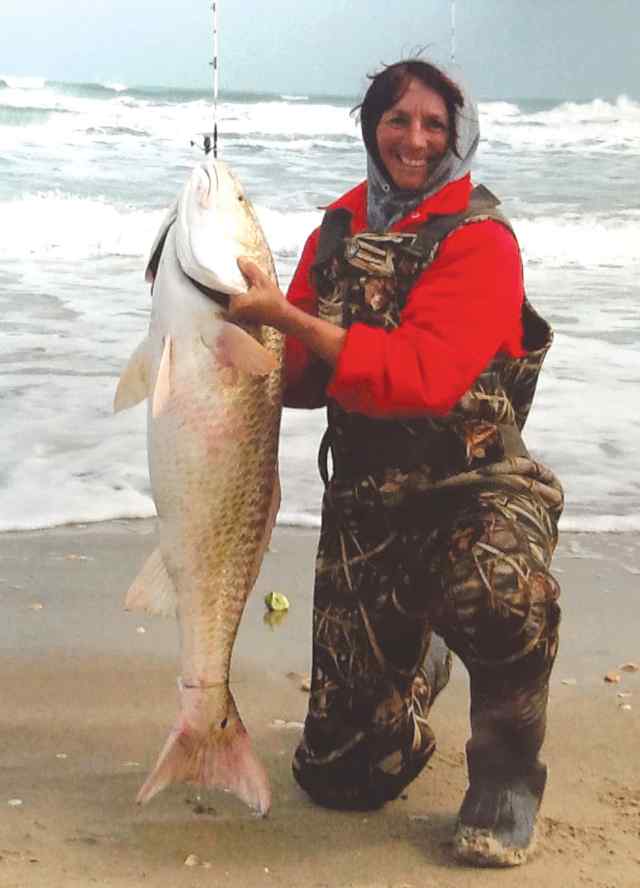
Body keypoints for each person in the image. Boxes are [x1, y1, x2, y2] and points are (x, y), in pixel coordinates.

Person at [231, 58, 563, 868]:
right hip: (366, 513)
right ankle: (419, 676)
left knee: (496, 592)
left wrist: (287, 319)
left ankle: (507, 773)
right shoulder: (337, 231)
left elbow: (422, 377)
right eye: (397, 120)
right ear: (371, 126)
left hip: (476, 496)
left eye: (434, 125)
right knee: (342, 780)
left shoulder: (483, 240)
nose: (414, 139)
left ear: (458, 135)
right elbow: (301, 384)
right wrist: (234, 336)